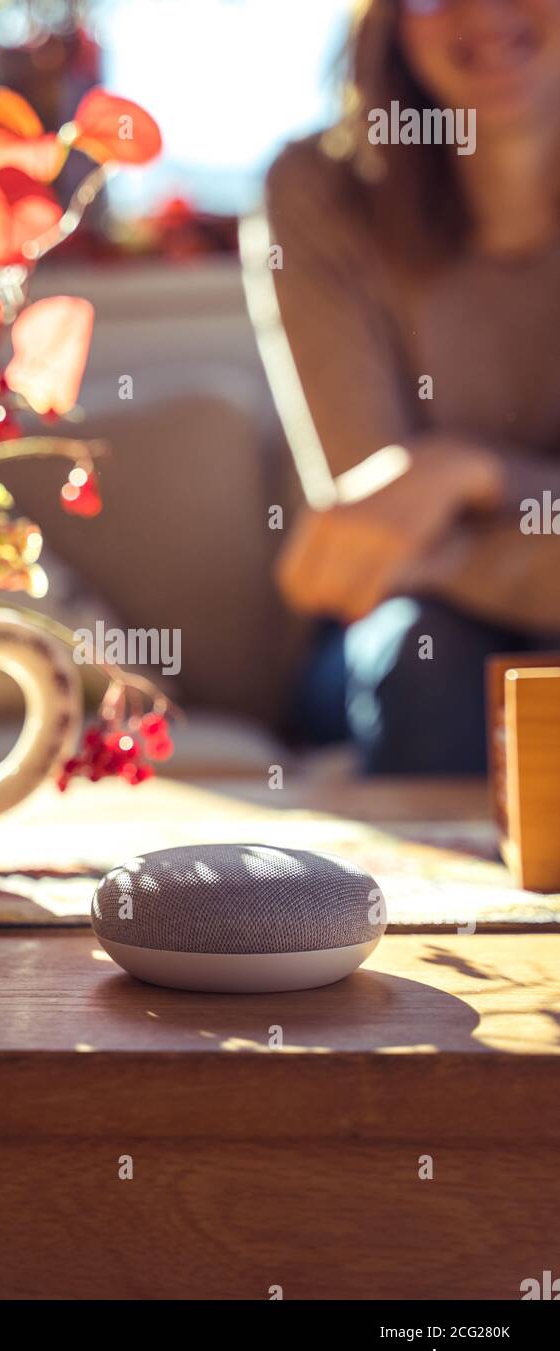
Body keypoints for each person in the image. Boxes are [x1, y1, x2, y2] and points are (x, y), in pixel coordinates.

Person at [263, 0, 560, 774]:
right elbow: (372, 541)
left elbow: (402, 540)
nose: (482, 11)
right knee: (421, 661)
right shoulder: (318, 191)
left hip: (448, 580)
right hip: (405, 629)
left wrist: (466, 472)